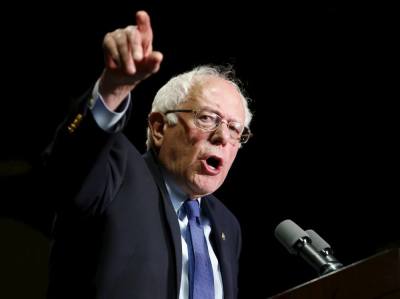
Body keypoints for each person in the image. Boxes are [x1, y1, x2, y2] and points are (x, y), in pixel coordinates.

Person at [44, 10, 253, 299]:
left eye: (235, 129)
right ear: (158, 127)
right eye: (207, 118)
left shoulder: (228, 226)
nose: (222, 137)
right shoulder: (117, 171)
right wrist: (112, 89)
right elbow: (66, 169)